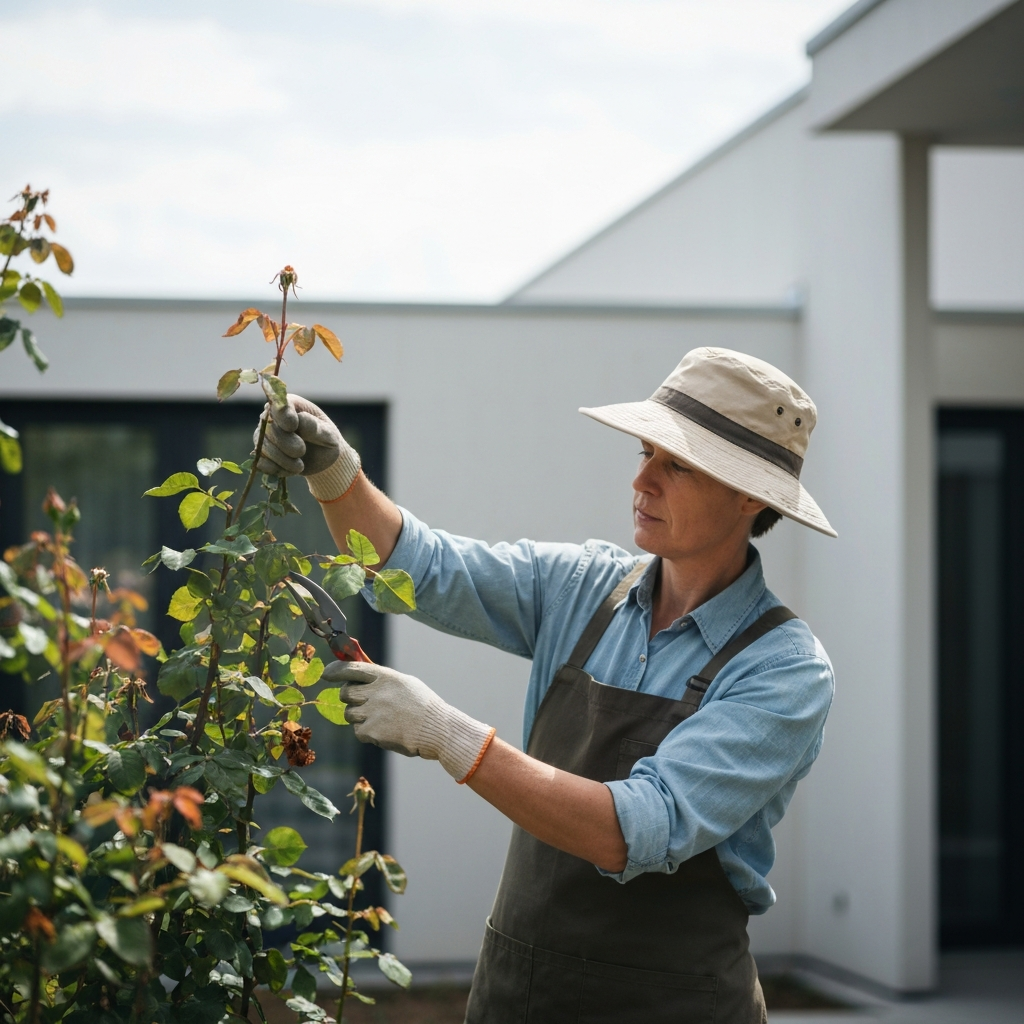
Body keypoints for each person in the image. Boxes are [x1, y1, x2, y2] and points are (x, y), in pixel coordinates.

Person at [255, 346, 837, 1024]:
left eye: (674, 464)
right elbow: (419, 566)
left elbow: (635, 828)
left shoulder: (782, 670)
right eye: (644, 453)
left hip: (671, 1004)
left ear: (748, 497)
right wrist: (334, 469)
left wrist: (446, 733)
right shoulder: (584, 588)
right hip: (519, 991)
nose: (642, 481)